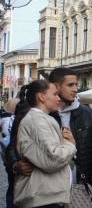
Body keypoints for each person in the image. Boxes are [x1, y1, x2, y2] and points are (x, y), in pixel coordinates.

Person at [6, 68, 92, 208]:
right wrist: (16, 165)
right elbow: (14, 145)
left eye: (76, 84)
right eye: (70, 85)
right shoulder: (34, 114)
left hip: (75, 187)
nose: (76, 89)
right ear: (56, 87)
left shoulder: (86, 113)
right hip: (45, 191)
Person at [14, 80, 76, 208]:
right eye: (54, 94)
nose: (58, 99)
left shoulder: (42, 119)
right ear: (41, 97)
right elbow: (54, 159)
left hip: (48, 195)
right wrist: (71, 145)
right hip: (44, 198)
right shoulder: (37, 121)